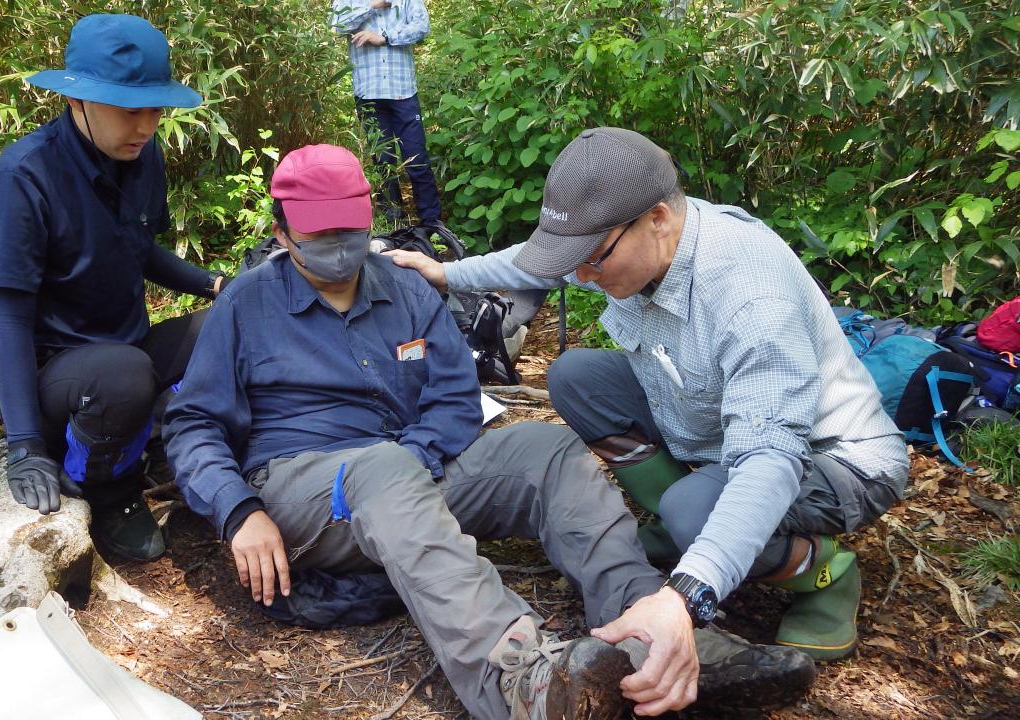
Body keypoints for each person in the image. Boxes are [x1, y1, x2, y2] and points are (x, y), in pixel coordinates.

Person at [165, 143, 814, 720]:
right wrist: (237, 510)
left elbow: (452, 398)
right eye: (319, 235)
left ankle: (651, 632)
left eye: (352, 231)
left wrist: (417, 455)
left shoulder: (403, 289)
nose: (339, 247)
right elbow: (192, 423)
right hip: (307, 491)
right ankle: (523, 679)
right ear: (282, 233)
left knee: (547, 449)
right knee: (383, 468)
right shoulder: (247, 304)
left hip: (411, 475)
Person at [387, 127, 912, 662]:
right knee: (576, 376)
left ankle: (823, 573)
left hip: (833, 458)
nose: (583, 274)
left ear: (658, 218)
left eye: (592, 259)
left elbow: (769, 459)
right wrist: (445, 273)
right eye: (575, 259)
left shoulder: (749, 294)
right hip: (712, 421)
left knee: (692, 510)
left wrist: (687, 595)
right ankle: (690, 524)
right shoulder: (632, 241)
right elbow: (538, 258)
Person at [0, 14, 228, 562]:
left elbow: (140, 250)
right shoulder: (21, 180)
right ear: (76, 101)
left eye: (156, 110)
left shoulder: (139, 156)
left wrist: (219, 287)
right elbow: (11, 324)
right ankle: (110, 493)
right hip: (62, 376)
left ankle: (187, 439)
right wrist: (23, 447)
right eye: (130, 110)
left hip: (128, 349)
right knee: (122, 375)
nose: (146, 126)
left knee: (231, 322)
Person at [331, 0, 448, 232]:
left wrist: (384, 36)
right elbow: (337, 25)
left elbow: (421, 26)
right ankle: (393, 222)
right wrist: (373, 5)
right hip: (368, 92)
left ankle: (432, 223)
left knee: (417, 158)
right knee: (382, 161)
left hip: (403, 91)